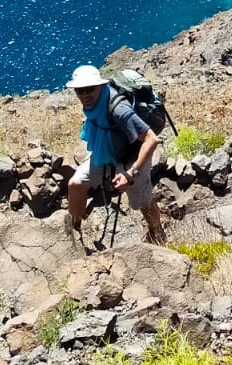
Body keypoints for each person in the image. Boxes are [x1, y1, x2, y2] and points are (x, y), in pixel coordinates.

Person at [63, 65, 165, 248]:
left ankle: (157, 231)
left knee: (142, 200)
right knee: (75, 184)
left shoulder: (119, 109)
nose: (84, 95)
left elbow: (151, 140)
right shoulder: (94, 104)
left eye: (89, 89)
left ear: (100, 86)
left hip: (132, 156)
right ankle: (73, 232)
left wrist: (130, 173)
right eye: (79, 90)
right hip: (107, 150)